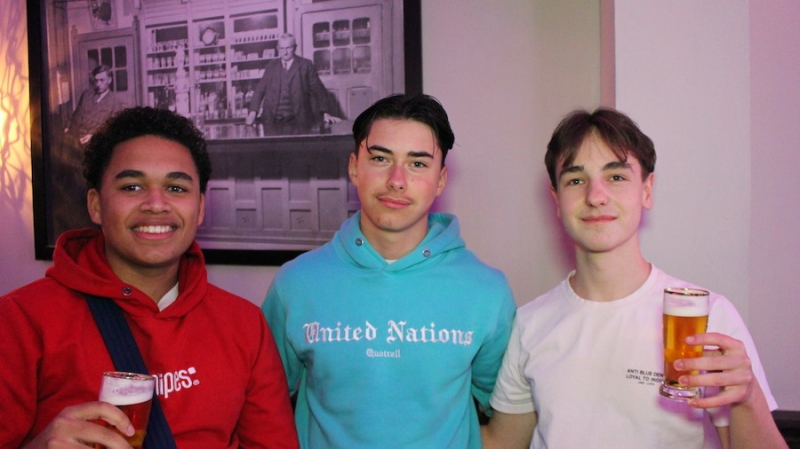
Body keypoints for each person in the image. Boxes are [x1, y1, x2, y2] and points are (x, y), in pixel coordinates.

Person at [481, 108, 787, 449]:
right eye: (575, 180)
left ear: (646, 190)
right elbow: (502, 443)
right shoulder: (530, 323)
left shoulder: (708, 316)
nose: (595, 196)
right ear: (557, 200)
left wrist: (749, 398)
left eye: (616, 177)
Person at [0, 107, 299, 448]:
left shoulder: (244, 324)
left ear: (200, 208)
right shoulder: (20, 320)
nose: (156, 204)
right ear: (96, 205)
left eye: (176, 188)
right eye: (132, 186)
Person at [262, 93, 517, 448]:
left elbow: (509, 414)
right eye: (380, 158)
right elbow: (262, 412)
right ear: (354, 167)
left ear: (441, 180)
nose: (397, 180)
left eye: (418, 164)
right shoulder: (296, 284)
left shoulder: (486, 291)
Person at [53, 64, 125, 236]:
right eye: (96, 81)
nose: (98, 84)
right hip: (75, 142)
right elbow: (76, 116)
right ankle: (72, 220)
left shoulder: (115, 102)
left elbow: (114, 129)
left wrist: (93, 136)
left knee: (87, 184)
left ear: (109, 80)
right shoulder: (86, 95)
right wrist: (68, 130)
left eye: (102, 80)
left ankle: (90, 222)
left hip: (95, 147)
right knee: (68, 179)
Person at [245, 33, 341, 135]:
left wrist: (325, 113)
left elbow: (319, 90)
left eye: (288, 48)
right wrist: (252, 113)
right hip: (272, 121)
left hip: (299, 122)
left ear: (295, 47)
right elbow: (259, 90)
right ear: (277, 48)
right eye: (282, 48)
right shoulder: (271, 66)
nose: (285, 52)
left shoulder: (305, 65)